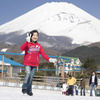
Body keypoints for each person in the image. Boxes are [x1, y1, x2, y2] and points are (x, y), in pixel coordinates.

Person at [20, 30, 57, 96]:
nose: (35, 37)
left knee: (31, 78)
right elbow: (21, 48)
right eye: (34, 35)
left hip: (34, 64)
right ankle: (24, 87)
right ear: (30, 36)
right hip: (28, 63)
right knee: (28, 73)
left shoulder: (39, 46)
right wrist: (26, 42)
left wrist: (50, 59)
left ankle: (29, 91)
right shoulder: (28, 44)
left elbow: (43, 54)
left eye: (36, 35)